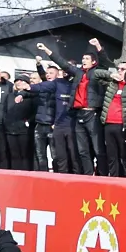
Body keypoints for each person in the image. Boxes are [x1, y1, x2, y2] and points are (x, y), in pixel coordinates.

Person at [40, 39, 107, 174]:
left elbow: (105, 62)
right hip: (79, 114)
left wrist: (98, 46)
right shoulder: (78, 73)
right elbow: (63, 63)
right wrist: (47, 50)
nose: (83, 60)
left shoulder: (97, 72)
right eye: (83, 58)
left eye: (87, 59)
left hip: (92, 114)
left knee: (97, 148)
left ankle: (102, 176)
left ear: (93, 62)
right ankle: (87, 175)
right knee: (82, 150)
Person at [92, 58, 126, 177]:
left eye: (123, 69)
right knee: (111, 155)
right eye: (119, 69)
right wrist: (111, 74)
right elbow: (95, 74)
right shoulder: (112, 83)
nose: (120, 71)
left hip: (123, 124)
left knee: (124, 155)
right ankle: (114, 178)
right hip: (108, 123)